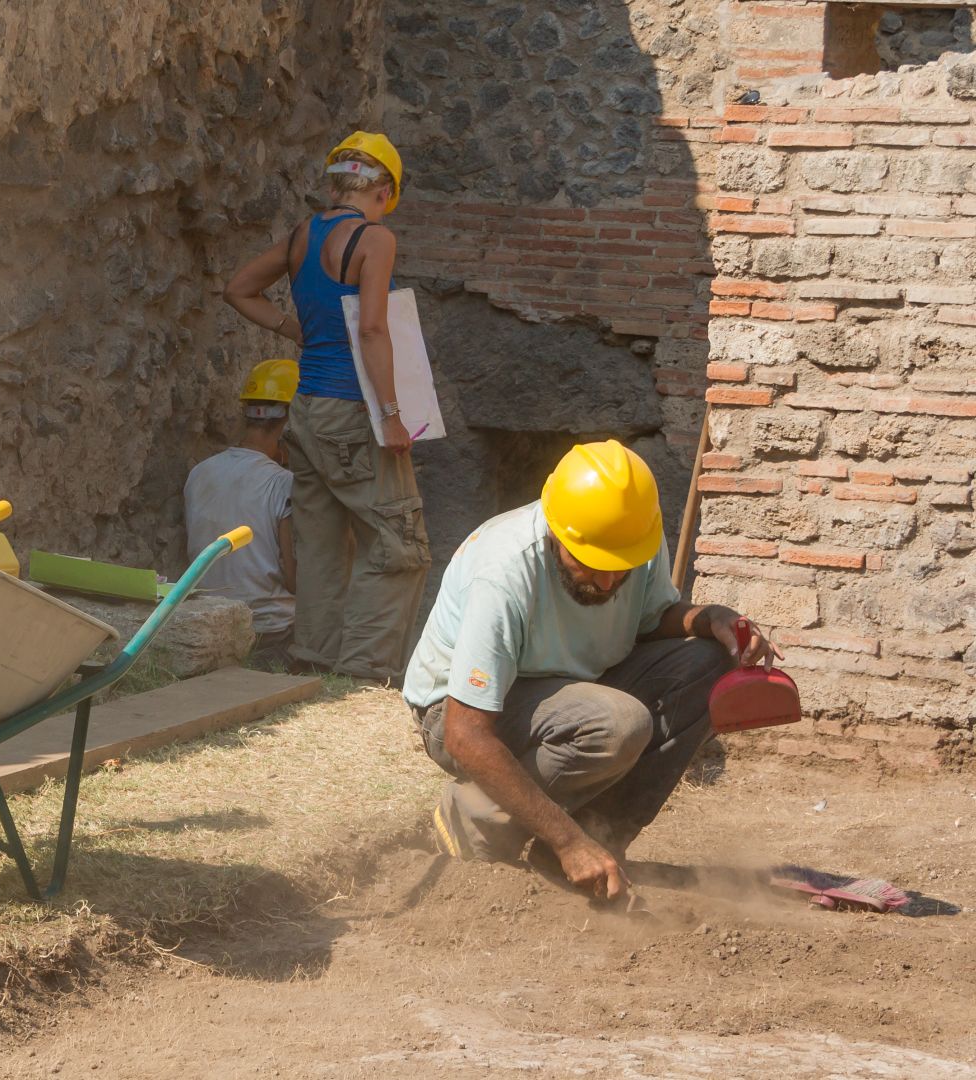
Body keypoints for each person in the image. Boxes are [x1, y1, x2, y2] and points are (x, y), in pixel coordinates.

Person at [404, 440, 780, 901]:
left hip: (570, 688)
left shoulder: (631, 541)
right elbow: (466, 733)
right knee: (617, 724)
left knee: (707, 662)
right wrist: (566, 840)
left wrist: (710, 619)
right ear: (558, 534)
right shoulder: (502, 574)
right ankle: (474, 820)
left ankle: (596, 843)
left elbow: (647, 618)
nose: (607, 583)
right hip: (458, 712)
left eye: (619, 569)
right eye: (592, 566)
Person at [223, 131, 429, 683]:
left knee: (318, 544)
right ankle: (364, 673)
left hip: (306, 409)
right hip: (351, 407)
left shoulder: (302, 234)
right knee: (396, 541)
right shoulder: (374, 239)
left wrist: (296, 331)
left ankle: (312, 658)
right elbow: (372, 328)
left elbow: (240, 288)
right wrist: (389, 414)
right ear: (383, 188)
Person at [185, 359, 299, 668]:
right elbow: (295, 581)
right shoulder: (284, 484)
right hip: (270, 633)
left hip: (210, 627)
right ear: (291, 418)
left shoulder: (199, 473)